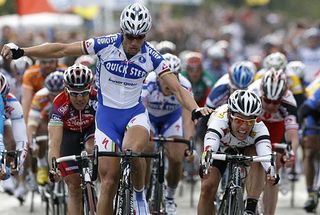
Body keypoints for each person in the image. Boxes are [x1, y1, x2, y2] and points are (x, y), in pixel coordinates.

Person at [0, 3, 212, 214]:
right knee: (109, 182)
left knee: (133, 151)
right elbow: (62, 48)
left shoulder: (152, 56)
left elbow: (176, 87)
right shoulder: (105, 44)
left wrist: (194, 109)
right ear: (122, 31)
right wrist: (23, 51)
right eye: (130, 36)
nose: (134, 42)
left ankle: (139, 196)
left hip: (134, 115)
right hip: (106, 118)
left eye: (140, 37)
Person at [198, 90, 277, 215]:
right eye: (239, 120)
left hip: (246, 149)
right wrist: (205, 160)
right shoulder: (220, 119)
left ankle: (251, 207)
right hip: (220, 148)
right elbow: (211, 142)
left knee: (260, 156)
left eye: (249, 122)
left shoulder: (259, 126)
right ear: (230, 115)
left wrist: (270, 170)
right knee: (207, 188)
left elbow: (265, 152)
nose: (244, 127)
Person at [141, 53, 194, 214]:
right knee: (146, 149)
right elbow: (138, 109)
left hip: (171, 120)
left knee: (177, 157)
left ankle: (170, 198)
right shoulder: (149, 81)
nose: (169, 81)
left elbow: (188, 118)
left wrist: (188, 142)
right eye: (165, 77)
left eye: (174, 76)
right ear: (158, 75)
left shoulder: (184, 85)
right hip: (148, 117)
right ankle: (142, 192)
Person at [248, 68, 299, 214]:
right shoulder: (253, 94)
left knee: (273, 166)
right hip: (254, 123)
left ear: (282, 98)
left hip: (276, 127)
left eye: (275, 102)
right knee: (255, 158)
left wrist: (292, 154)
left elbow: (293, 136)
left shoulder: (289, 103)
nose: (270, 106)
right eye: (268, 100)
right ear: (262, 94)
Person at [48, 63, 96, 215]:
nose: (80, 98)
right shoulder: (59, 104)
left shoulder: (99, 98)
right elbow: (54, 143)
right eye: (74, 94)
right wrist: (53, 168)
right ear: (66, 90)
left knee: (91, 147)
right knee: (74, 187)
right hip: (68, 135)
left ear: (91, 88)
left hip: (92, 130)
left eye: (84, 92)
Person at [27, 71, 65, 186]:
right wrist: (33, 142)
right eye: (52, 94)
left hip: (63, 122)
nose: (56, 96)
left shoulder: (69, 96)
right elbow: (32, 122)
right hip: (45, 123)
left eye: (59, 93)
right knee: (41, 132)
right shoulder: (40, 97)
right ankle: (42, 165)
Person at [0, 72, 28, 203]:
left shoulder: (13, 103)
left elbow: (21, 139)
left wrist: (18, 161)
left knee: (10, 141)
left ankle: (7, 176)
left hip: (3, 121)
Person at [21, 57, 66, 123]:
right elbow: (26, 101)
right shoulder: (30, 74)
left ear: (56, 62)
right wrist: (25, 123)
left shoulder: (65, 71)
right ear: (39, 62)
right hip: (39, 103)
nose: (47, 65)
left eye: (51, 62)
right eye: (44, 62)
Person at [298, 87, 320, 212]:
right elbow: (303, 111)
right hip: (313, 117)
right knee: (310, 152)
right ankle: (311, 191)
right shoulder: (318, 93)